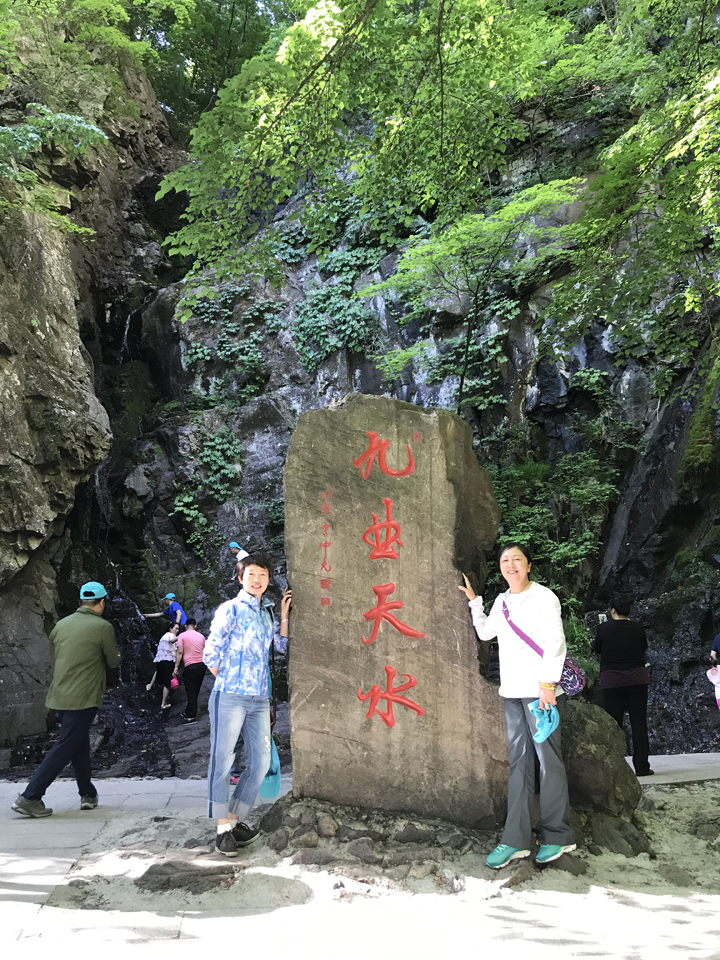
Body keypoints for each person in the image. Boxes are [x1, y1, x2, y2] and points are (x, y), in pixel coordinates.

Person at [460, 543, 576, 869]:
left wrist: (548, 685)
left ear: (528, 565)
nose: (510, 565)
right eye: (505, 560)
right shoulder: (501, 601)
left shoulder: (544, 597)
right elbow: (486, 633)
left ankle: (558, 836)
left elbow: (555, 641)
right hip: (511, 691)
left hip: (541, 692)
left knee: (548, 762)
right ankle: (515, 840)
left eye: (517, 560)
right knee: (519, 763)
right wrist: (475, 603)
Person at [204, 552, 292, 857]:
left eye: (263, 575)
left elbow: (281, 646)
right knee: (222, 760)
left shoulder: (266, 614)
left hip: (259, 699)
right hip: (230, 695)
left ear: (268, 580)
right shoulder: (229, 609)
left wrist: (283, 614)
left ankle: (234, 819)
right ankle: (222, 830)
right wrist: (230, 681)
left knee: (261, 764)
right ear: (240, 578)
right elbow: (210, 653)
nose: (257, 580)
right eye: (251, 574)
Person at [11, 581, 121, 818]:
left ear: (82, 601)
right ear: (101, 602)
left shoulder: (61, 625)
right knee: (65, 745)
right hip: (84, 697)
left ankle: (87, 794)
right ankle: (30, 796)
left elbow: (56, 655)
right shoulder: (102, 627)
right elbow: (113, 661)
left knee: (78, 743)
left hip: (60, 694)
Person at [593, 594, 653, 777]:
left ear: (612, 610)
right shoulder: (638, 628)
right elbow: (643, 647)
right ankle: (641, 767)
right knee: (639, 723)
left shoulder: (603, 628)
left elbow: (597, 649)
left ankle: (615, 767)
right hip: (637, 679)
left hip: (612, 681)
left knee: (613, 724)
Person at [174, 618, 207, 724]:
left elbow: (180, 652)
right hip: (201, 665)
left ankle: (191, 717)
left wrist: (176, 666)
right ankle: (188, 712)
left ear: (185, 626)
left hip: (190, 665)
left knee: (191, 691)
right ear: (195, 626)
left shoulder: (182, 635)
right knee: (195, 690)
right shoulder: (201, 636)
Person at [153, 622, 180, 710]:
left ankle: (150, 686)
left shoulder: (164, 636)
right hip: (167, 661)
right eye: (176, 628)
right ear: (170, 628)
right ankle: (163, 704)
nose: (177, 630)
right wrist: (182, 636)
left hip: (160, 660)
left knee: (161, 676)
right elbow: (173, 643)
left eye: (178, 629)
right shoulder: (171, 635)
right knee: (168, 683)